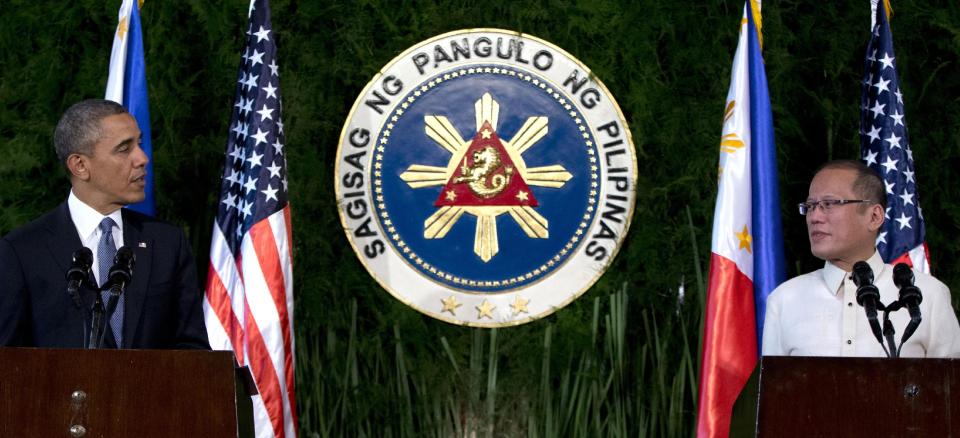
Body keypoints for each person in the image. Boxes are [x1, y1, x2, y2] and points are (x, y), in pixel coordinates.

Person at [0, 99, 209, 349]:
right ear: (80, 165)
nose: (142, 158)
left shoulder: (167, 243)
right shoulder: (22, 251)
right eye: (124, 149)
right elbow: (10, 363)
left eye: (139, 144)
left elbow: (192, 350)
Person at [763, 159, 960, 357]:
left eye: (829, 204)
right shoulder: (784, 300)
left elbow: (949, 385)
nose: (814, 217)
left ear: (874, 217)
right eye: (811, 206)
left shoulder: (928, 296)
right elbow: (772, 387)